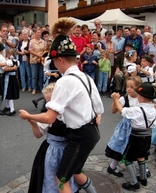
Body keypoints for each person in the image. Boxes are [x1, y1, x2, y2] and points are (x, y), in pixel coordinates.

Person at [19, 18, 104, 193]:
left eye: (54, 61)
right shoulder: (85, 77)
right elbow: (99, 110)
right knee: (75, 171)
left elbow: (50, 117)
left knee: (61, 178)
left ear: (60, 60)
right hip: (92, 132)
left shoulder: (65, 81)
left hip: (79, 136)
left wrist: (29, 116)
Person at [27, 83, 80, 193]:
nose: (50, 106)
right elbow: (38, 135)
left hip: (69, 151)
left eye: (52, 102)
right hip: (51, 153)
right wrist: (33, 123)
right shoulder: (48, 117)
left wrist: (98, 115)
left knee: (69, 177)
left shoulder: (71, 113)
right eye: (47, 102)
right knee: (50, 177)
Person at [111, 82, 156, 190]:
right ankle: (143, 178)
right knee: (141, 157)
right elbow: (155, 123)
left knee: (128, 159)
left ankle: (133, 183)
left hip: (136, 137)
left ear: (141, 98)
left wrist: (116, 100)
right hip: (147, 136)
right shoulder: (154, 109)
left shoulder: (138, 109)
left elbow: (122, 111)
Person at [105, 76, 142, 178]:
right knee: (121, 146)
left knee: (138, 147)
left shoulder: (142, 98)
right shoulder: (124, 99)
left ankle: (144, 168)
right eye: (127, 86)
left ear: (139, 88)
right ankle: (112, 166)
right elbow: (113, 111)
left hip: (138, 127)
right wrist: (114, 100)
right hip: (126, 128)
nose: (128, 89)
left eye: (132, 87)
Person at [2, 49, 19, 116]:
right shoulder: (17, 61)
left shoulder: (9, 61)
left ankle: (12, 109)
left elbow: (5, 68)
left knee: (9, 93)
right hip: (14, 77)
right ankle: (7, 106)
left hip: (9, 78)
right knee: (9, 93)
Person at [29, 29, 45, 95]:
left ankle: (41, 88)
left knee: (41, 75)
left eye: (40, 32)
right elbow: (30, 50)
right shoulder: (31, 41)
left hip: (41, 60)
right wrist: (38, 55)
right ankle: (34, 89)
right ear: (35, 33)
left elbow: (45, 50)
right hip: (33, 60)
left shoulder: (43, 41)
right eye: (38, 32)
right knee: (34, 76)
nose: (39, 34)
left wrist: (40, 57)